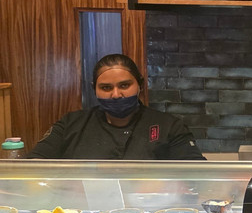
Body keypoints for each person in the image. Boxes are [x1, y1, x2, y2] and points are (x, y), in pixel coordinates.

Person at [29, 54, 205, 160]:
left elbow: (195, 173)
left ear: (140, 85)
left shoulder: (170, 126)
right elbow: (34, 164)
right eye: (106, 88)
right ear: (94, 89)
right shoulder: (70, 124)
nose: (115, 94)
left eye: (124, 85)